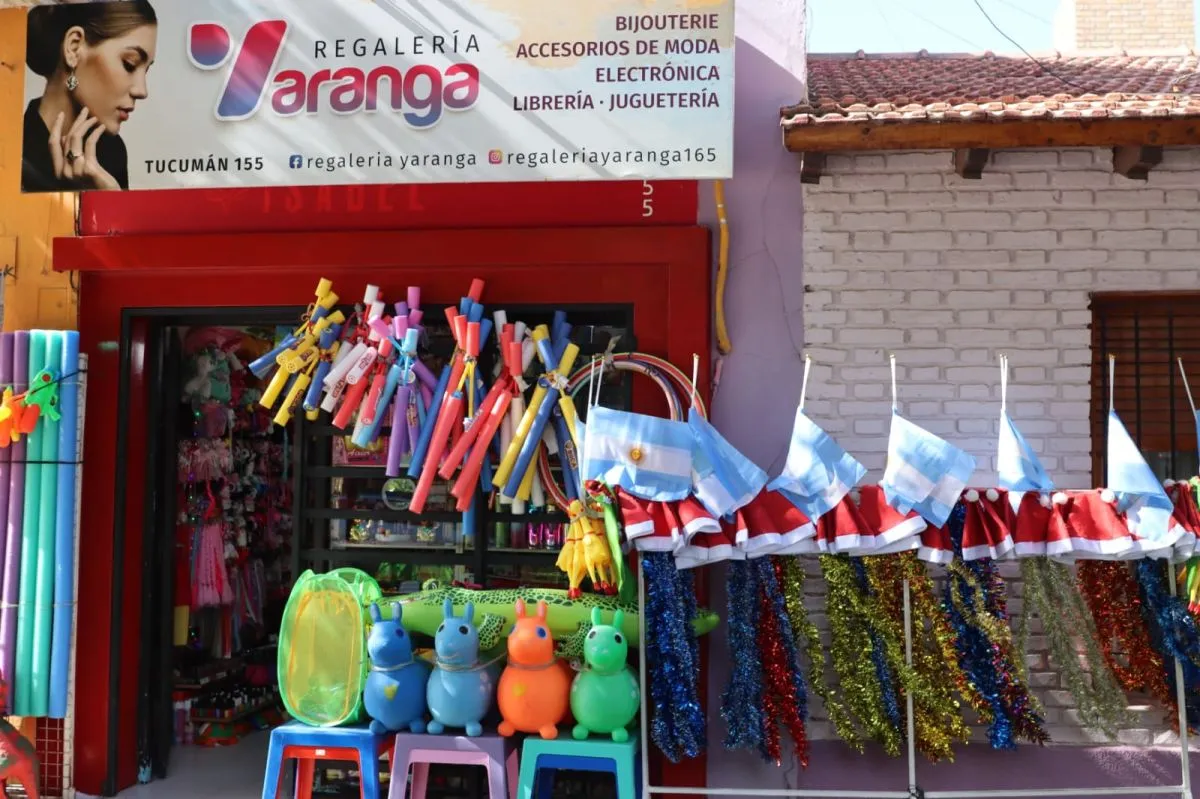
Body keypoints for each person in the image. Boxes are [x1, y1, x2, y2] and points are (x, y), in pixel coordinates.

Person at [22, 1, 157, 192]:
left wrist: (111, 198)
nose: (142, 91)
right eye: (130, 64)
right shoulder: (12, 152)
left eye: (147, 70)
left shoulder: (111, 152)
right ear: (74, 48)